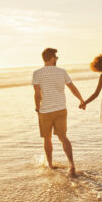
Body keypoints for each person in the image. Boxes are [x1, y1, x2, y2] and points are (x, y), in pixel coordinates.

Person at [32, 47, 85, 177]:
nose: (56, 59)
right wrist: (81, 100)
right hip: (61, 109)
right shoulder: (62, 72)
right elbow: (72, 87)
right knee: (63, 138)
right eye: (56, 57)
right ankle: (71, 164)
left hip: (45, 111)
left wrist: (37, 108)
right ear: (51, 58)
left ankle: (50, 165)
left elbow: (37, 94)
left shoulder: (37, 73)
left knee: (47, 138)